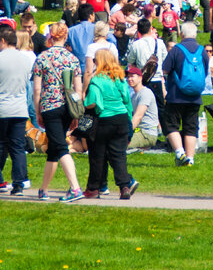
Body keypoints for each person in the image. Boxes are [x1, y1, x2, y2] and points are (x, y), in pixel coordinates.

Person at [31, 22, 84, 202]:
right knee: (54, 148)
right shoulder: (73, 59)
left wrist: (38, 110)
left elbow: (37, 90)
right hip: (68, 107)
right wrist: (76, 113)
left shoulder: (42, 58)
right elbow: (78, 90)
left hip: (50, 106)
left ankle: (75, 188)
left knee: (60, 147)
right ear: (66, 36)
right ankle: (43, 189)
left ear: (50, 36)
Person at [0, 24, 33, 195]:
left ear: (2, 40)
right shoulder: (26, 59)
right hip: (20, 109)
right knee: (17, 148)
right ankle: (19, 184)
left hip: (0, 109)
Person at [83, 48, 137, 200]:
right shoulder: (119, 78)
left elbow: (94, 102)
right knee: (119, 155)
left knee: (97, 155)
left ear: (99, 62)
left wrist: (82, 104)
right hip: (121, 118)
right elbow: (127, 99)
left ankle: (93, 188)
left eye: (95, 60)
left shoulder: (96, 80)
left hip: (104, 120)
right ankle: (124, 186)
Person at [160, 22, 211, 166]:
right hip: (195, 96)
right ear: (195, 34)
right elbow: (205, 71)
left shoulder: (176, 50)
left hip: (176, 95)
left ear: (181, 34)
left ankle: (179, 153)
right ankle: (190, 159)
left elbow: (165, 70)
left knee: (171, 125)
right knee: (191, 127)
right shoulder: (202, 51)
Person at [126, 66, 159, 149]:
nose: (129, 79)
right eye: (128, 77)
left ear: (140, 78)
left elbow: (138, 117)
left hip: (147, 133)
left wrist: (126, 133)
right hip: (138, 131)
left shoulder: (145, 93)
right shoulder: (133, 96)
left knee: (120, 145)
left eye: (132, 76)